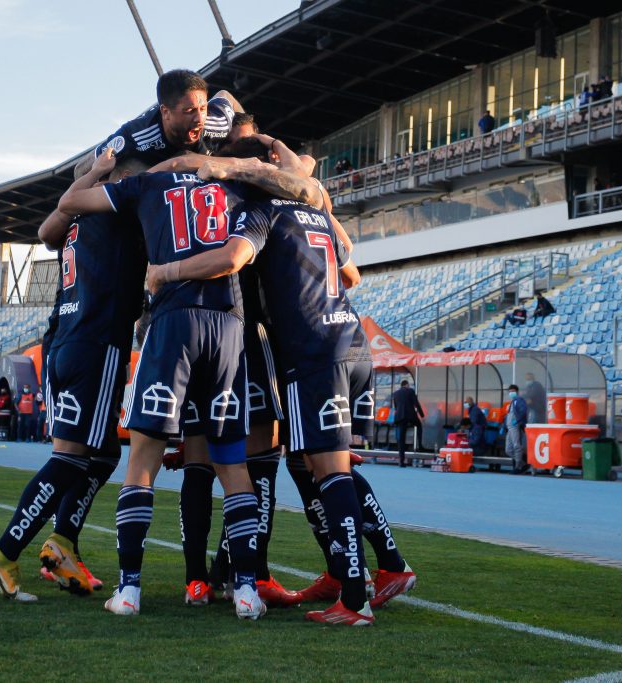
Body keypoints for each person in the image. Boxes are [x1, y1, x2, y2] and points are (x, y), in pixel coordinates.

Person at [146, 148, 418, 625]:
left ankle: (355, 597)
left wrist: (166, 272)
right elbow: (350, 271)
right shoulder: (315, 210)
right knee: (316, 465)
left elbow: (232, 258)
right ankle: (366, 572)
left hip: (310, 353)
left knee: (323, 472)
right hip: (352, 340)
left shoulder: (262, 210)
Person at [57, 145, 311, 620]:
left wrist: (100, 171)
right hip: (228, 326)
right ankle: (246, 592)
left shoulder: (149, 183)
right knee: (233, 465)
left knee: (144, 458)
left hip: (172, 320)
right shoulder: (245, 191)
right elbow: (302, 191)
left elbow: (70, 205)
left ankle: (129, 590)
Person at [0, 150, 147, 602]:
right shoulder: (117, 212)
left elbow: (45, 231)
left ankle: (63, 542)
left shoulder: (72, 223)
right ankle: (4, 553)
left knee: (104, 451)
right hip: (98, 341)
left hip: (65, 340)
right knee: (71, 458)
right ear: (112, 180)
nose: (140, 183)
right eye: (134, 177)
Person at [73, 68, 241, 178]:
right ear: (165, 112)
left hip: (200, 176)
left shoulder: (216, 121)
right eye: (189, 111)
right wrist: (99, 175)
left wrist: (253, 134)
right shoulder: (137, 135)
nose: (199, 118)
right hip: (150, 179)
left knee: (243, 136)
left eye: (203, 108)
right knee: (123, 170)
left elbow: (225, 95)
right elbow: (80, 170)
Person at [392, 379, 424, 467]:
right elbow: (416, 404)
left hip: (399, 417)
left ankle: (401, 461)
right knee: (419, 426)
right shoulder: (411, 391)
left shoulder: (396, 393)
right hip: (410, 416)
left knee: (401, 439)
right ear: (407, 385)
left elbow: (396, 407)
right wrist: (422, 415)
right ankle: (420, 445)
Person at [505, 384, 529, 474]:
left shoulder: (519, 400)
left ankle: (518, 467)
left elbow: (523, 411)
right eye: (510, 391)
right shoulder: (512, 402)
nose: (511, 393)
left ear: (517, 392)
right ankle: (523, 463)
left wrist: (518, 421)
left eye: (513, 391)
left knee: (516, 446)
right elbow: (508, 415)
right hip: (509, 427)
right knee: (508, 449)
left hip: (515, 426)